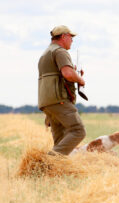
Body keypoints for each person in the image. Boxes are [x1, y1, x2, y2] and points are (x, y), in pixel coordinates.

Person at [38, 25, 86, 155]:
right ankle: (47, 163)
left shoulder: (46, 53)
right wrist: (80, 79)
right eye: (71, 37)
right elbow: (68, 74)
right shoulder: (60, 52)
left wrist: (72, 70)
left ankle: (54, 170)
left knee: (61, 140)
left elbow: (59, 73)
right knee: (78, 131)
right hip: (59, 100)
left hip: (47, 103)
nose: (72, 40)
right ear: (64, 36)